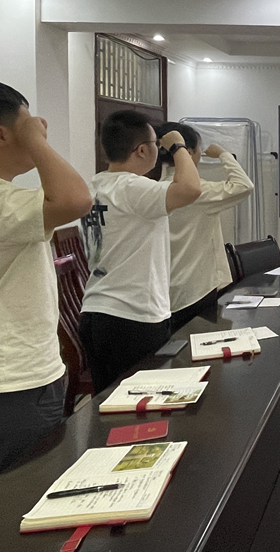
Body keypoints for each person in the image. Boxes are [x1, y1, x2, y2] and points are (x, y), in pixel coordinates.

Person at [0, 80, 92, 501]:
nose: (39, 129)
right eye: (28, 124)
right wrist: (36, 140)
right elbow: (75, 199)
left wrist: (29, 132)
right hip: (8, 387)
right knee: (15, 510)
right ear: (1, 135)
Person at [79, 110, 202, 393]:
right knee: (142, 404)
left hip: (96, 312)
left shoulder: (95, 185)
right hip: (132, 316)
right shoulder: (132, 187)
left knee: (108, 404)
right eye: (156, 145)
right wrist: (179, 146)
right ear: (142, 150)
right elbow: (190, 189)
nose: (159, 151)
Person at [155, 123, 254, 332]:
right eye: (198, 149)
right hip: (196, 289)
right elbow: (244, 185)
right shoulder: (199, 193)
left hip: (164, 289)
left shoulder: (152, 189)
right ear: (188, 152)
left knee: (177, 346)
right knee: (201, 343)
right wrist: (224, 155)